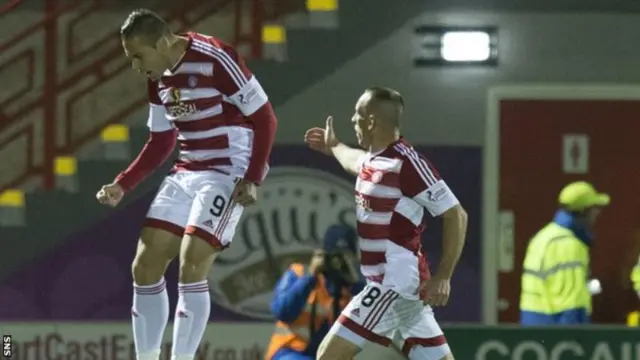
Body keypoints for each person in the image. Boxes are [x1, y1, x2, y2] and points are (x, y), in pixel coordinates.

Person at [95, 9, 277, 360]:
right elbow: (161, 142)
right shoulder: (157, 77)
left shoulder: (215, 57)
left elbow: (265, 116)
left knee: (192, 261)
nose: (135, 66)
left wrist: (253, 177)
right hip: (187, 171)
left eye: (137, 56)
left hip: (228, 170)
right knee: (144, 267)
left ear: (162, 43)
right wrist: (123, 183)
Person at [304, 86, 468, 360]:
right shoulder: (375, 160)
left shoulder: (408, 162)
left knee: (328, 356)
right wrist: (334, 146)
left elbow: (456, 214)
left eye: (357, 114)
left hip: (391, 285)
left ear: (371, 121)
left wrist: (444, 276)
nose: (352, 120)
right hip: (404, 292)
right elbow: (354, 161)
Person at [266, 224, 366, 360]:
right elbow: (282, 312)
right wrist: (310, 278)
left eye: (345, 258)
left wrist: (355, 282)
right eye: (334, 256)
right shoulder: (299, 273)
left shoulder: (356, 288)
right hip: (290, 351)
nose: (338, 263)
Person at [519, 181, 609, 326]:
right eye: (594, 208)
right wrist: (579, 339)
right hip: (554, 333)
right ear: (583, 211)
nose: (597, 213)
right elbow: (571, 304)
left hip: (533, 327)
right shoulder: (569, 245)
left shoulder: (543, 236)